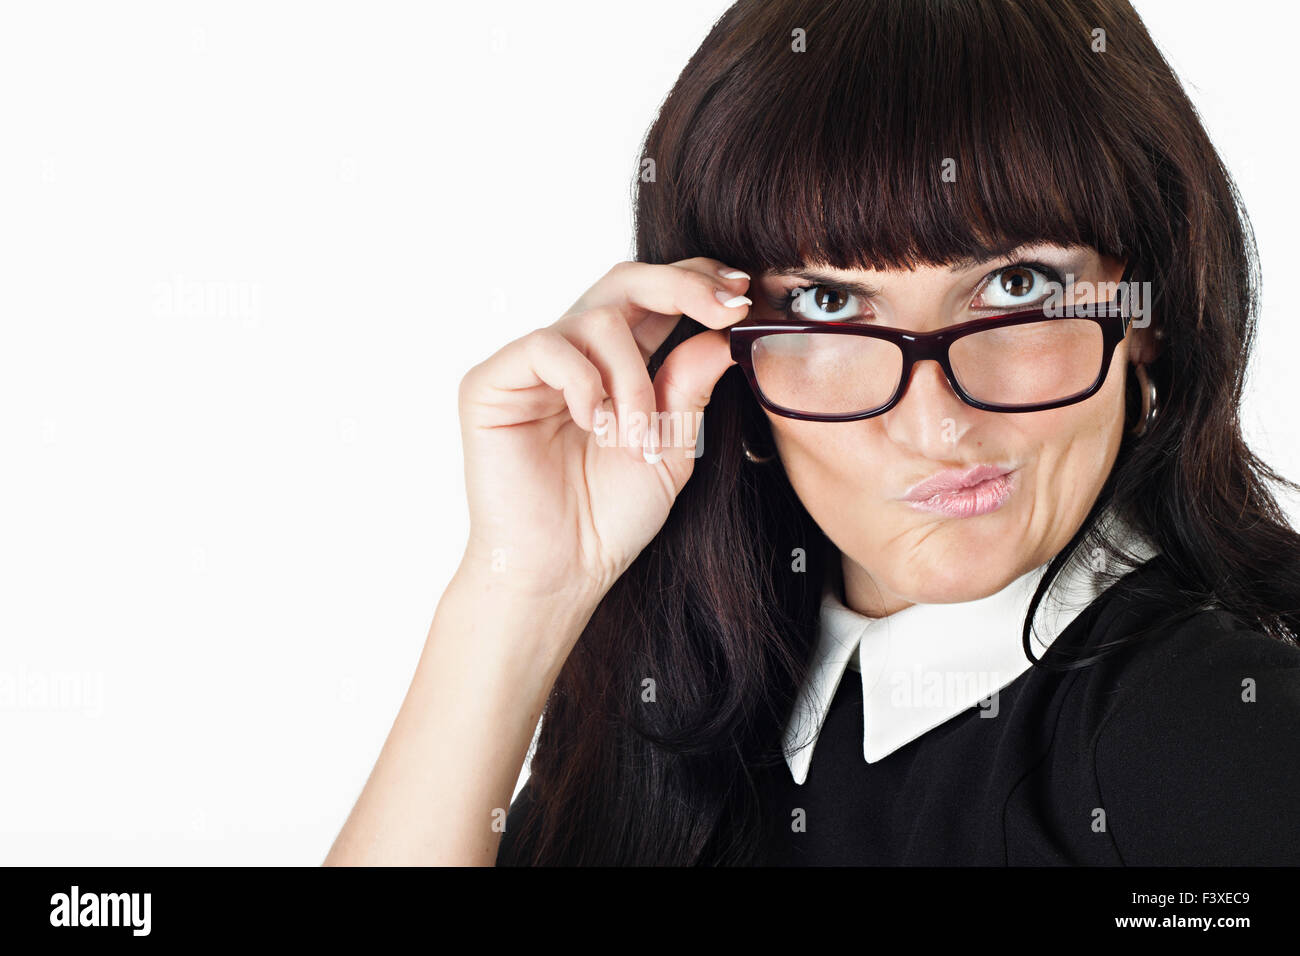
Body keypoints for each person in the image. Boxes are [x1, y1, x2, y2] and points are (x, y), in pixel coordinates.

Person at [324, 0, 1300, 866]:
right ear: (725, 354)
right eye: (831, 306)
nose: (938, 421)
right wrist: (522, 586)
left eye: (1015, 286)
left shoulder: (1221, 731)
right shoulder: (679, 704)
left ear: (1145, 314)